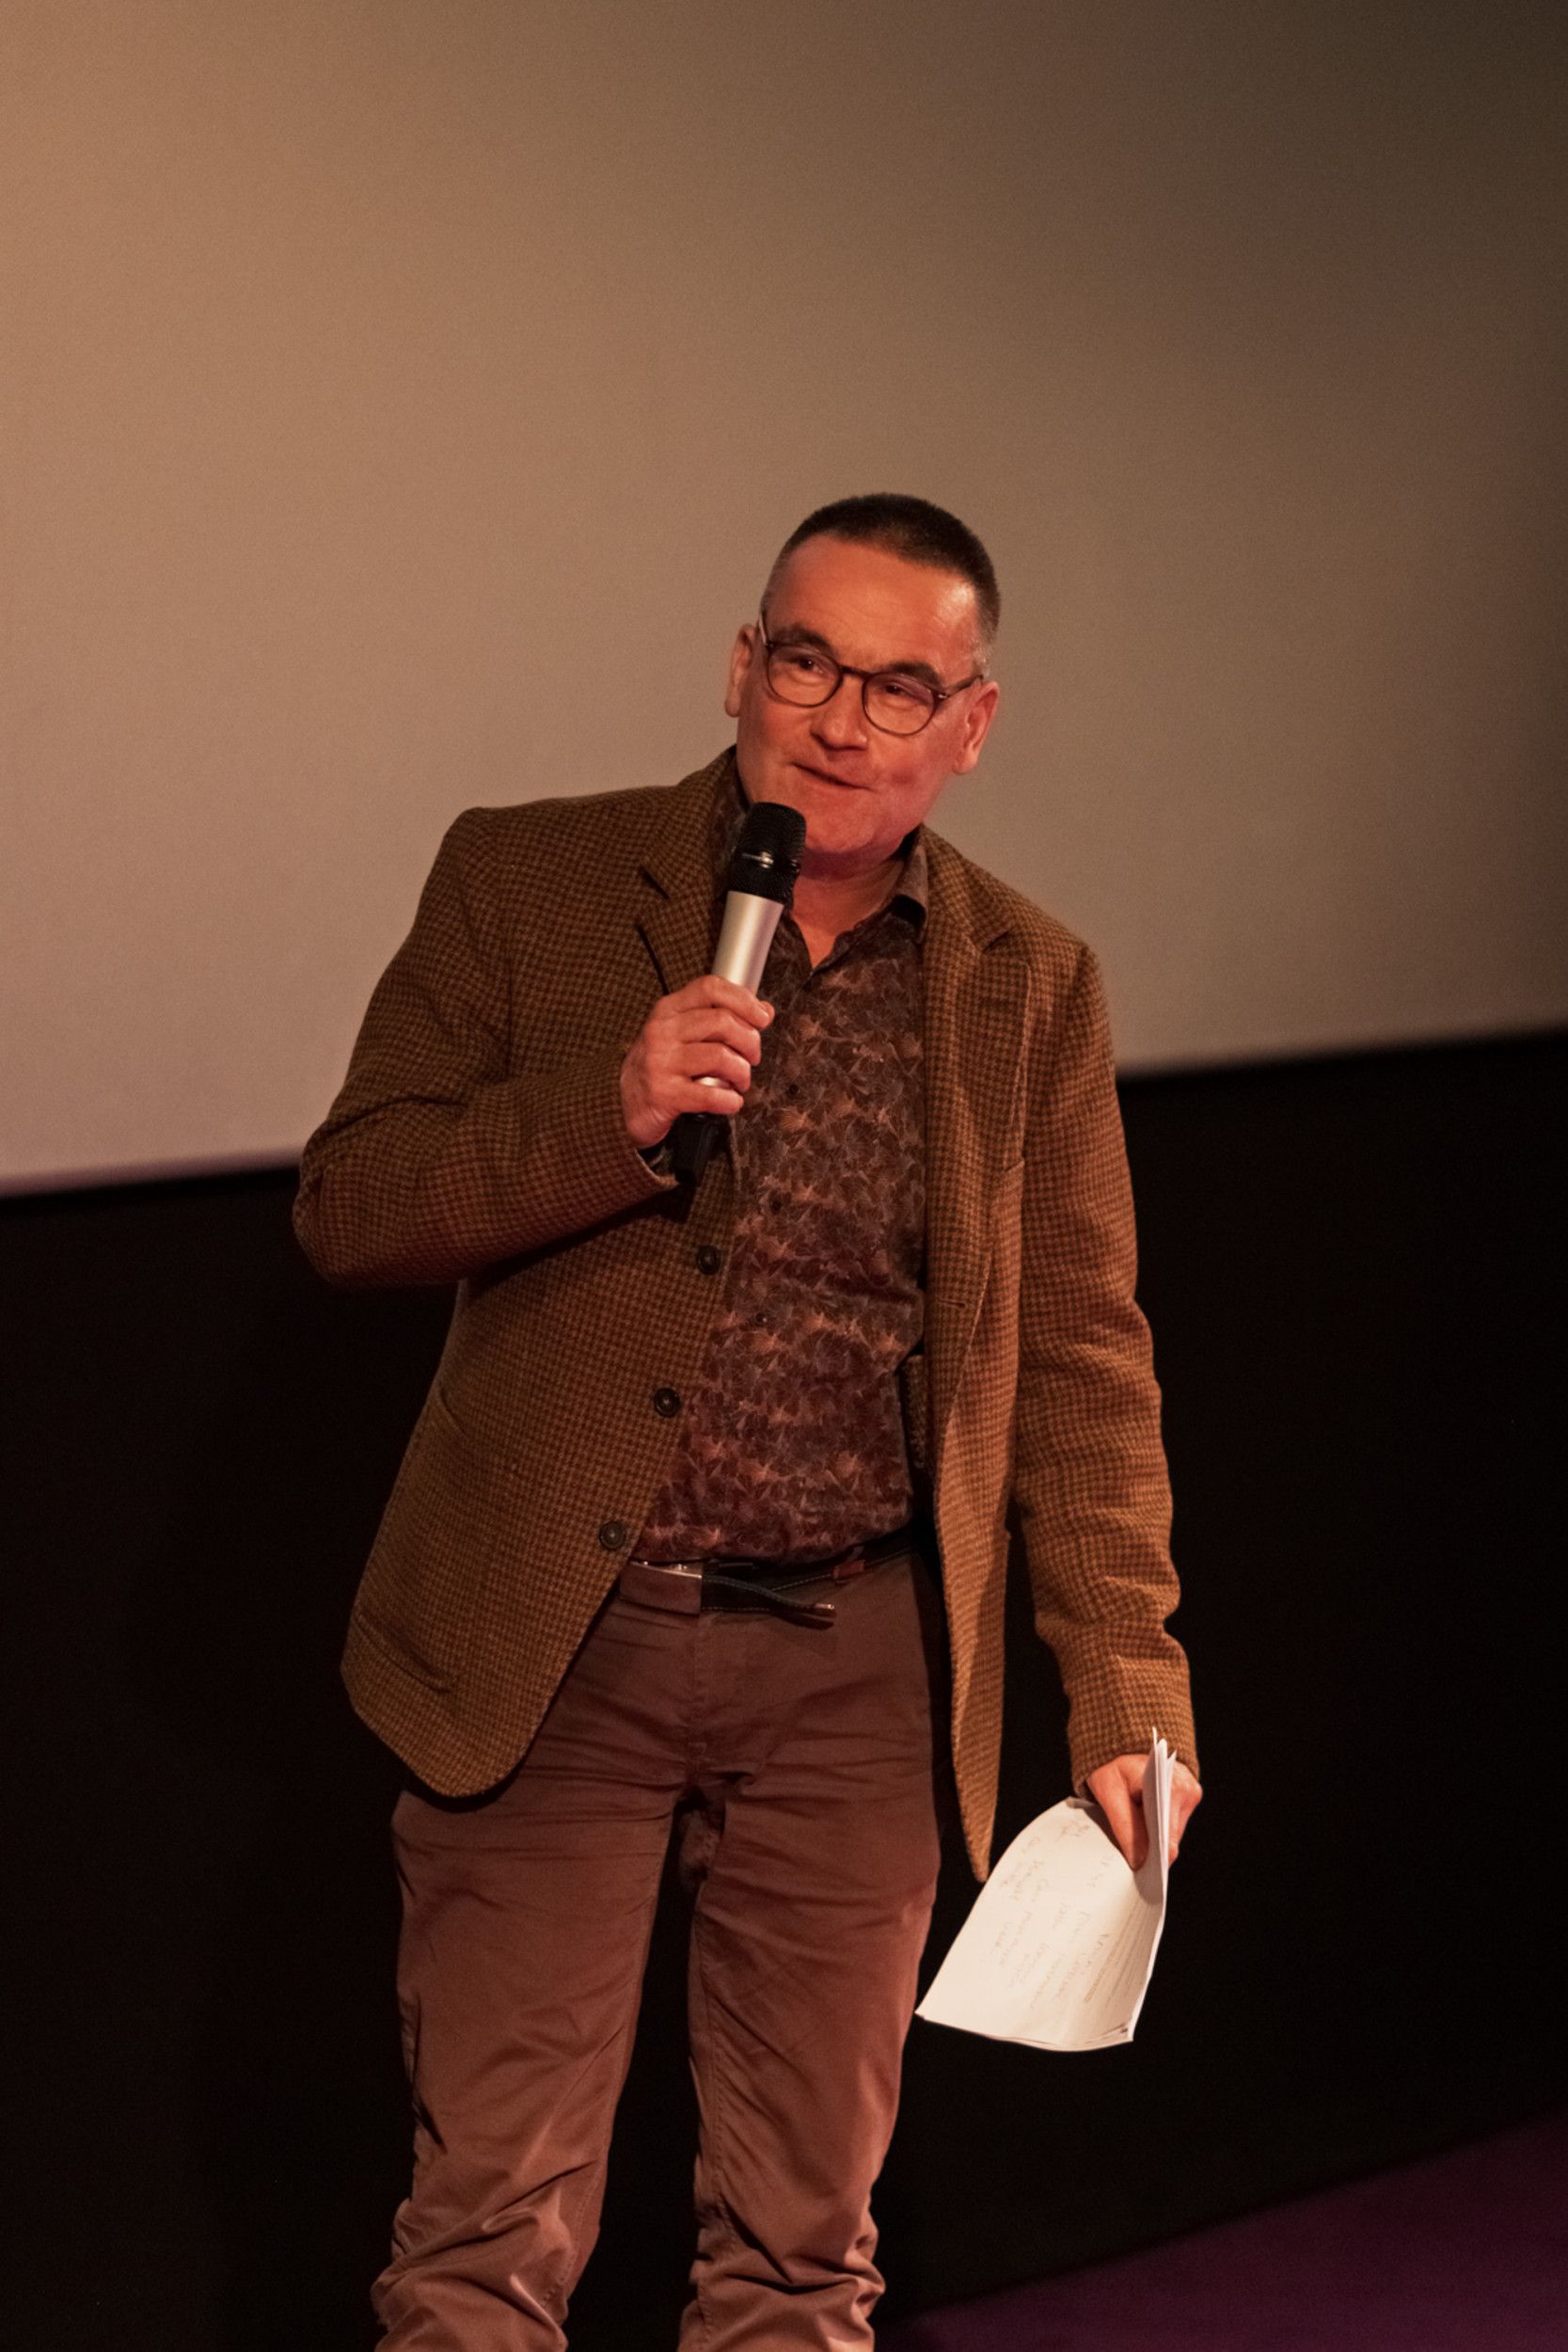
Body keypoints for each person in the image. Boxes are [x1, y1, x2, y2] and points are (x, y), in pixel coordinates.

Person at [294, 493, 1202, 2349]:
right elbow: (352, 1204)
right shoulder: (532, 881)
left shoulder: (1028, 981)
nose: (841, 721)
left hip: (856, 1667)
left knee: (802, 2255)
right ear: (740, 666)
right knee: (482, 2240)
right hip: (557, 1648)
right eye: (806, 662)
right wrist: (610, 1113)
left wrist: (1128, 1681)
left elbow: (1082, 1359)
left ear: (972, 722)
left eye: (899, 686)